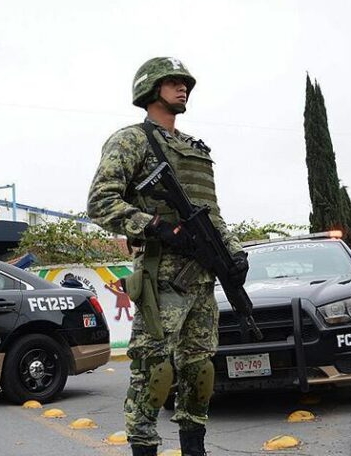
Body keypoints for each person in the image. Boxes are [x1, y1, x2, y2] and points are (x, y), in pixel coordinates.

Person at [87, 57, 248, 456]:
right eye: (173, 82)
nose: (183, 88)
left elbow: (212, 215)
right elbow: (100, 202)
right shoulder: (131, 140)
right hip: (161, 278)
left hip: (201, 279)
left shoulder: (195, 149)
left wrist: (233, 253)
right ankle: (144, 446)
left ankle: (195, 447)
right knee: (153, 371)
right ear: (151, 88)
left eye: (186, 83)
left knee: (200, 369)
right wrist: (153, 225)